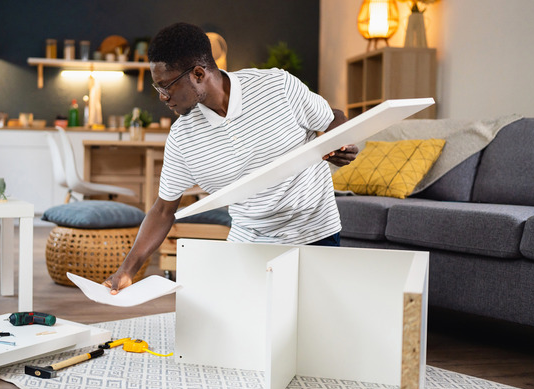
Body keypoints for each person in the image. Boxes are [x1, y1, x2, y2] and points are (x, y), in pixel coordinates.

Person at [103, 22, 358, 294]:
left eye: (166, 86)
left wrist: (338, 143)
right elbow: (163, 210)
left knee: (313, 329)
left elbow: (335, 118)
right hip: (247, 242)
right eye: (158, 88)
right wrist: (126, 271)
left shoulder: (277, 86)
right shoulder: (182, 137)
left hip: (315, 232)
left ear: (198, 74)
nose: (163, 97)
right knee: (247, 330)